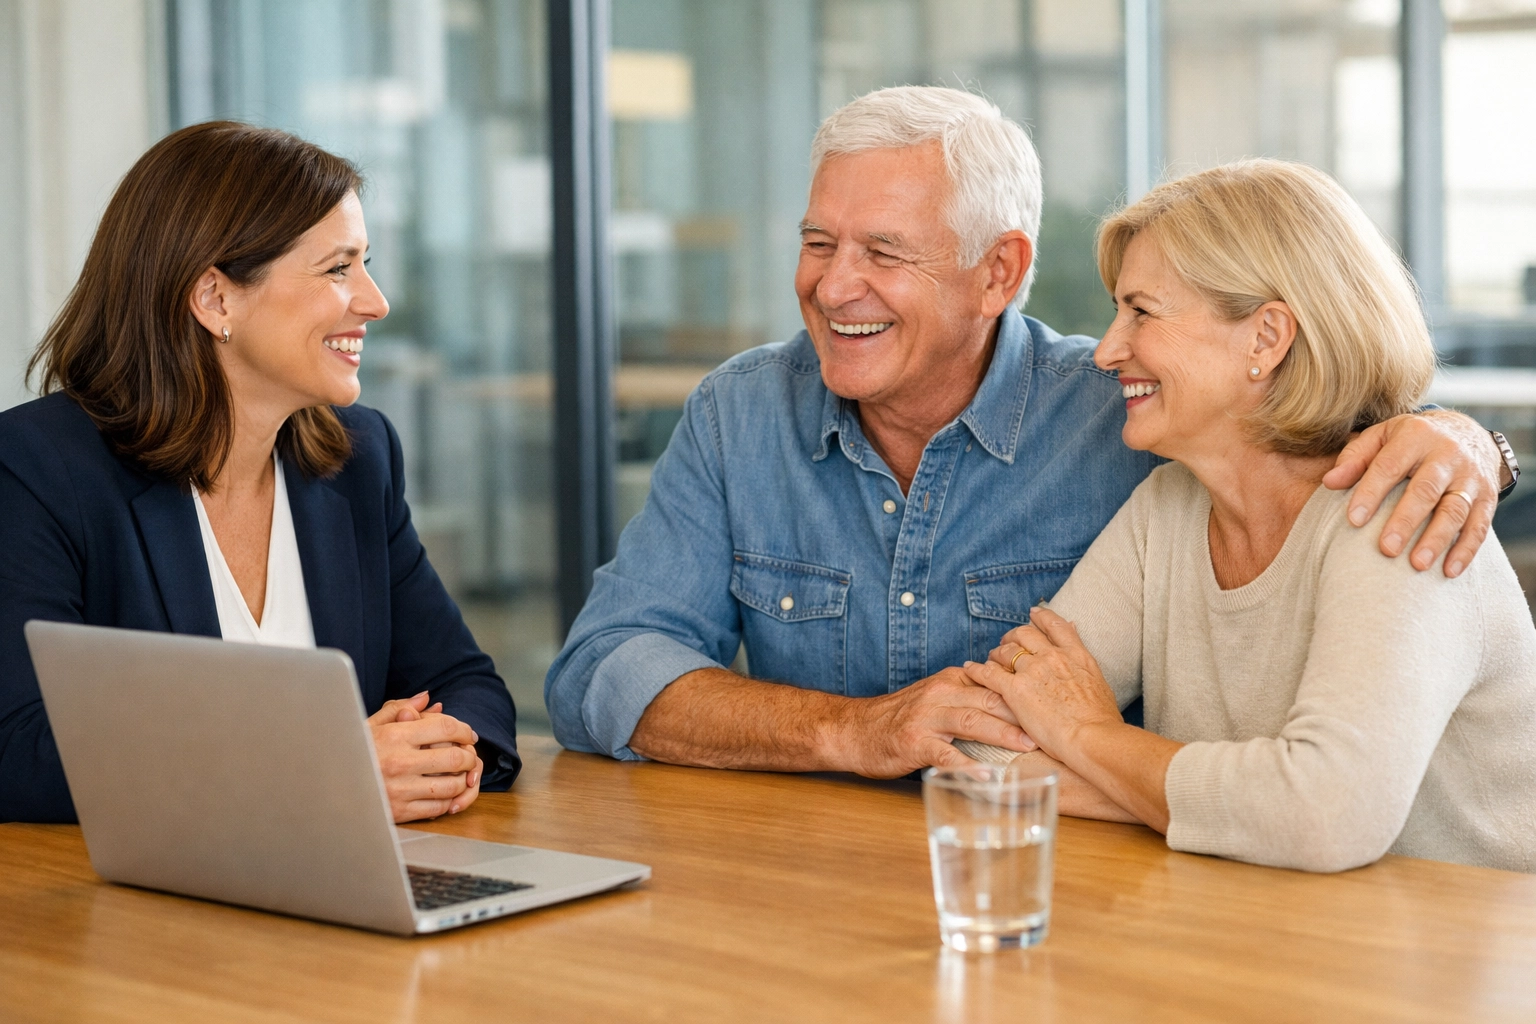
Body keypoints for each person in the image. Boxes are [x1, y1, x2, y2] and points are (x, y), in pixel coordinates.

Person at [545, 86, 1516, 776]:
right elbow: (600, 670)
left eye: (883, 252)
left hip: (1082, 887)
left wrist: (1467, 438)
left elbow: (1312, 420)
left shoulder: (1125, 416)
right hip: (816, 874)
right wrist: (847, 731)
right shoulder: (740, 413)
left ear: (1000, 273)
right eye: (818, 243)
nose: (834, 287)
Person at [958, 159, 1536, 873]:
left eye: (1142, 312)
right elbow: (980, 746)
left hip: (1450, 938)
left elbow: (1323, 817)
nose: (1107, 351)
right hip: (1262, 924)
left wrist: (1086, 736)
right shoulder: (1166, 509)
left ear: (1266, 338)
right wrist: (1235, 807)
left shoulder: (1400, 509)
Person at [0, 122, 520, 824]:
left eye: (364, 264)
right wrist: (328, 770)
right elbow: (18, 749)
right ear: (216, 299)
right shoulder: (34, 470)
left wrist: (435, 755)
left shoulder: (359, 458)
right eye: (338, 269)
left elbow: (465, 683)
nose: (376, 302)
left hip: (357, 870)